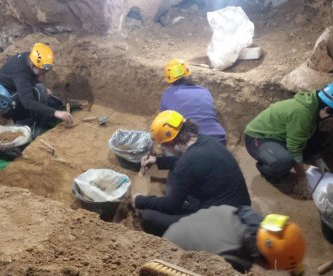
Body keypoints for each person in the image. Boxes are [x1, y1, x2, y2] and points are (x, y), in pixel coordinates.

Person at [131, 110, 251, 236]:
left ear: (170, 143)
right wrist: (158, 161)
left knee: (149, 216)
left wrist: (139, 200)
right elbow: (189, 166)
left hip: (224, 223)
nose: (161, 148)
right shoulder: (205, 141)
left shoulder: (187, 162)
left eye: (163, 146)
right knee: (175, 176)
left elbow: (170, 205)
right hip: (237, 206)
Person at [244, 83, 333, 199]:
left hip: (281, 136)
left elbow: (312, 137)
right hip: (258, 138)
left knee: (317, 136)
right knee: (283, 161)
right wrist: (302, 179)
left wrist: (318, 159)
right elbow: (294, 149)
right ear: (326, 109)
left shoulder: (314, 105)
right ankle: (267, 172)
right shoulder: (302, 114)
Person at [163, 205, 306, 275]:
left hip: (175, 231)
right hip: (167, 259)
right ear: (264, 261)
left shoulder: (241, 214)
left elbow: (283, 243)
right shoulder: (232, 259)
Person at [0, 42, 72, 135]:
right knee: (39, 91)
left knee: (52, 102)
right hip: (4, 103)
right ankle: (32, 129)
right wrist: (56, 113)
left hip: (16, 90)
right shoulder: (21, 74)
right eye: (42, 70)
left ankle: (36, 118)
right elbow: (28, 103)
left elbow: (31, 77)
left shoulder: (30, 57)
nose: (44, 73)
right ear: (32, 65)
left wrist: (38, 84)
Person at [161, 58, 226, 145]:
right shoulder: (204, 91)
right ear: (189, 74)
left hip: (195, 142)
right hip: (219, 137)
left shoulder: (168, 94)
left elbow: (164, 123)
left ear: (169, 80)